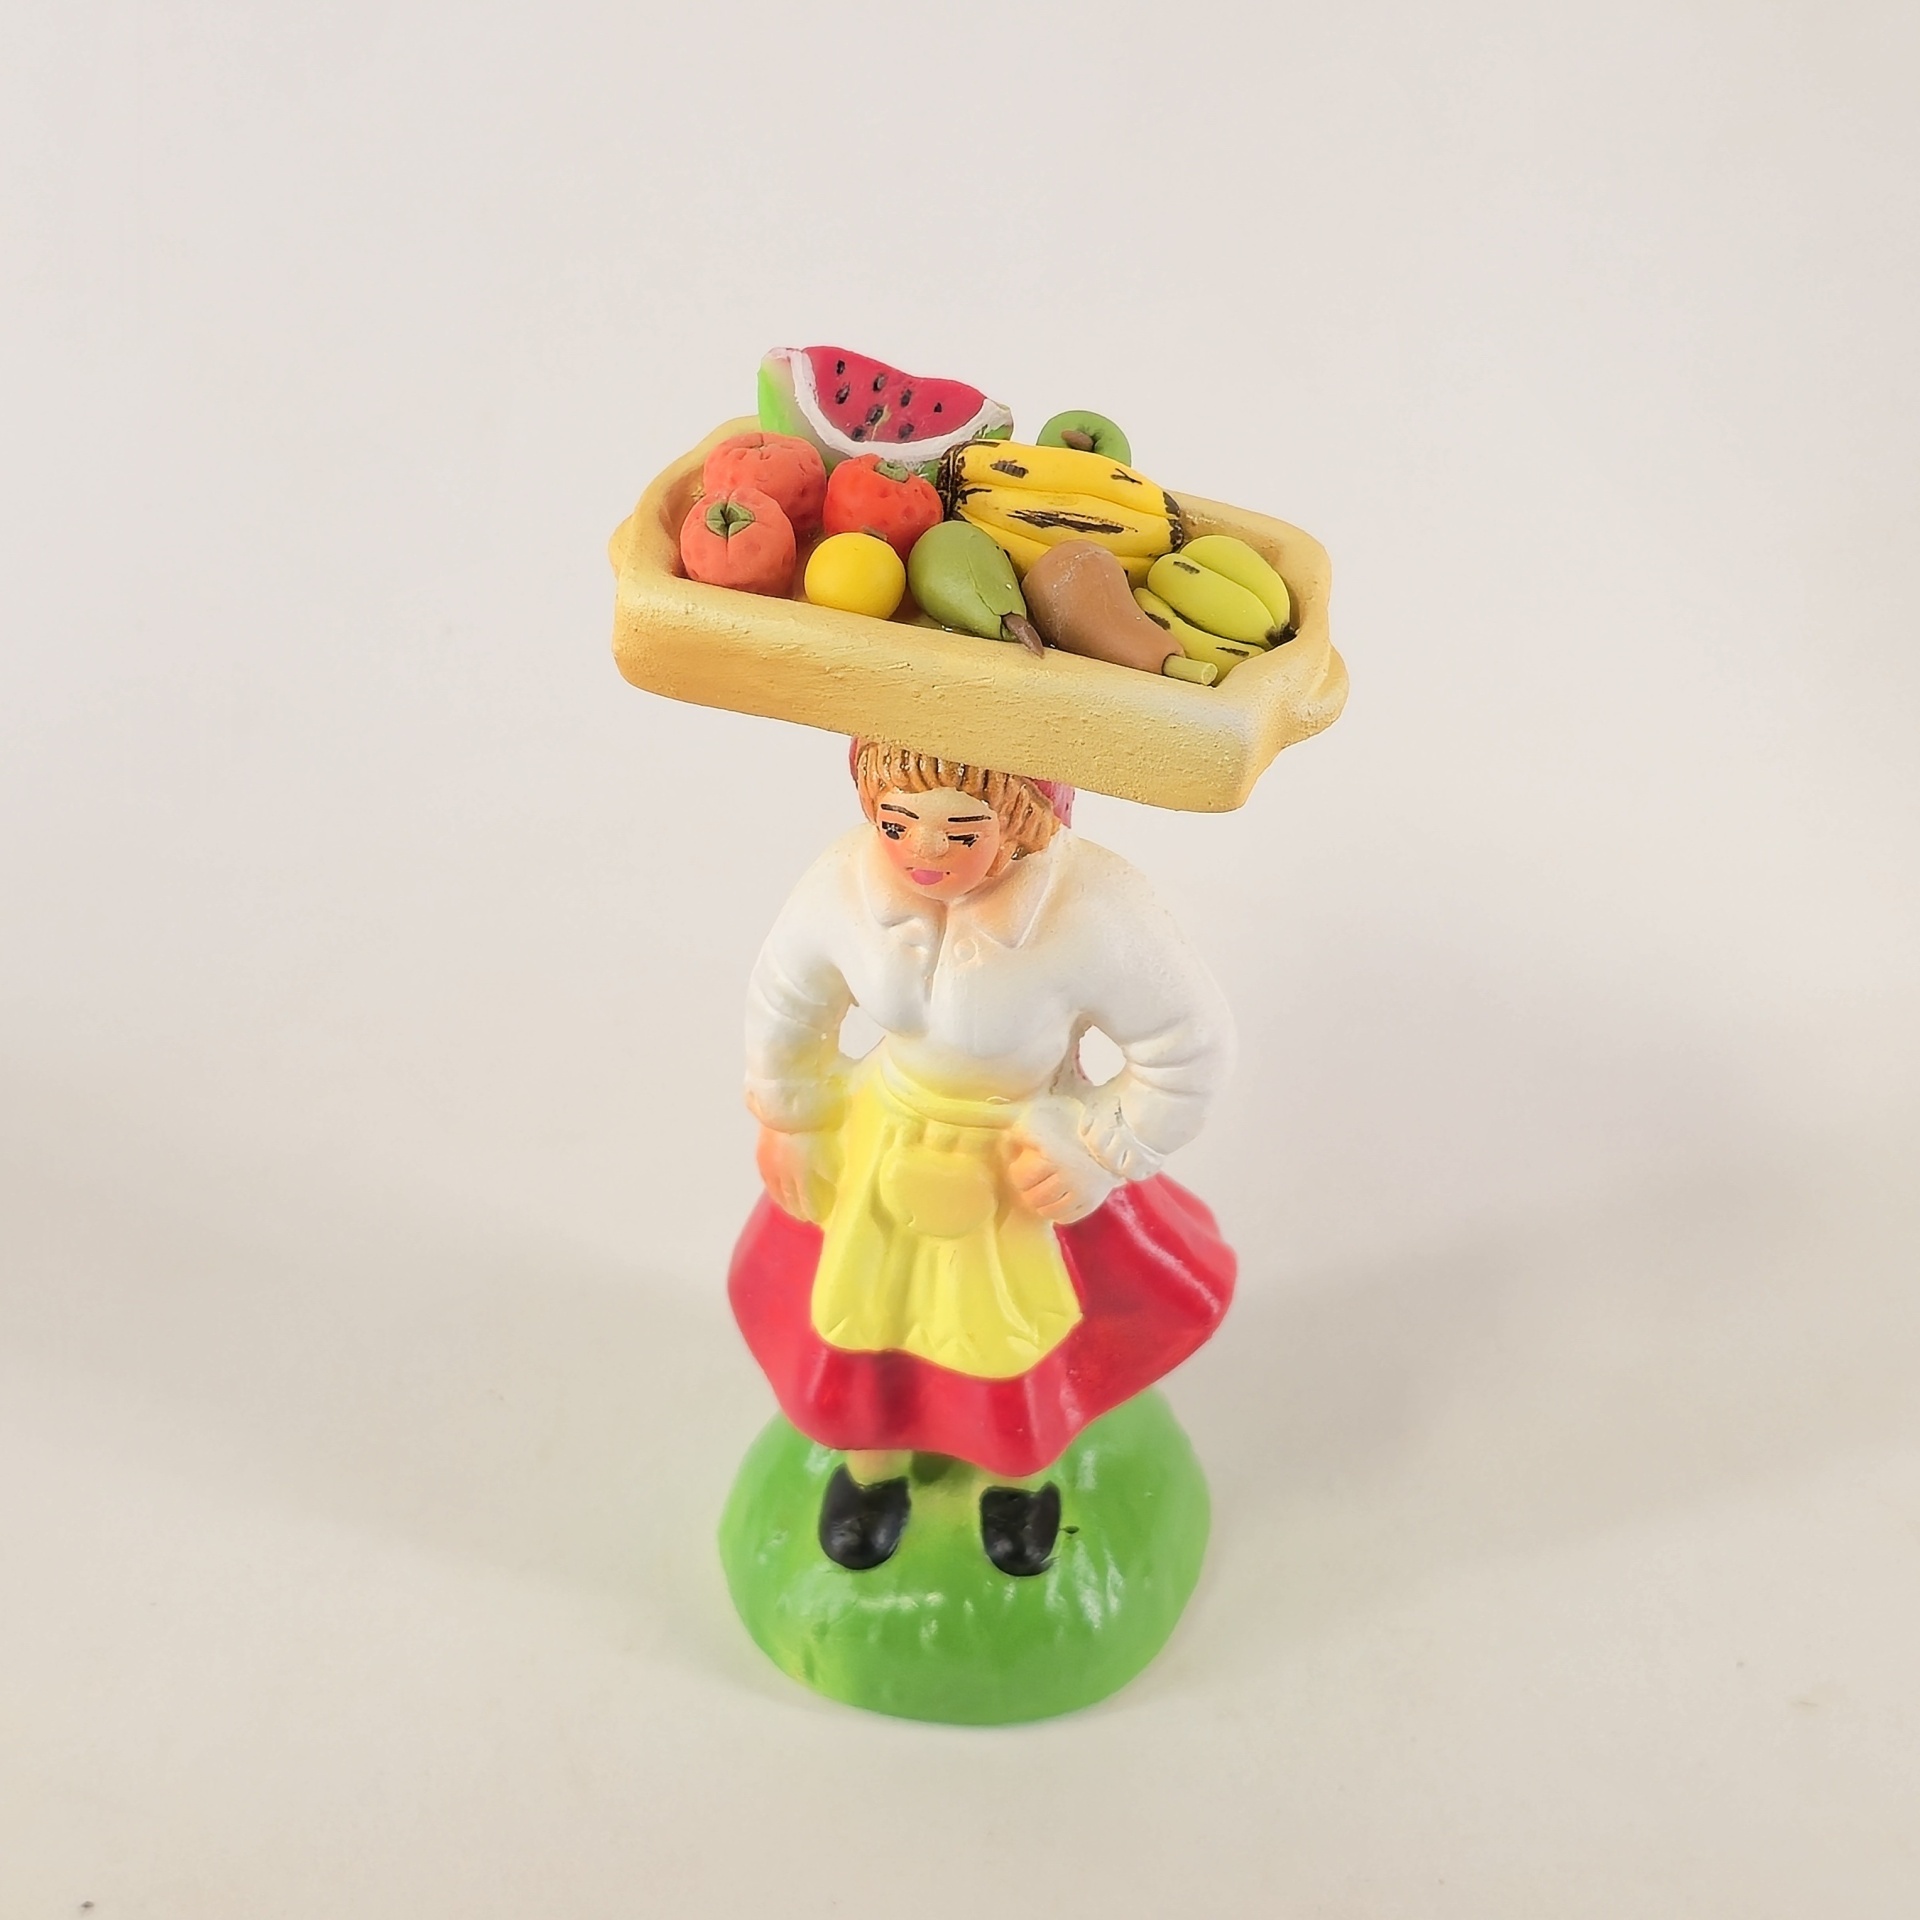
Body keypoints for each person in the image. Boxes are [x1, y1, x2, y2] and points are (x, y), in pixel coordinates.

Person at [729, 739, 1236, 1575]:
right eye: (897, 824)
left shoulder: (1090, 911)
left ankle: (1017, 1482)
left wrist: (1099, 1150)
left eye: (961, 833)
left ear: (1022, 823)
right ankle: (872, 1472)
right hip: (885, 1133)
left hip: (1018, 1158)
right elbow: (787, 995)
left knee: (1011, 1328)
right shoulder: (844, 885)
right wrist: (792, 1114)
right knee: (866, 1310)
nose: (923, 853)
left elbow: (1188, 1046)